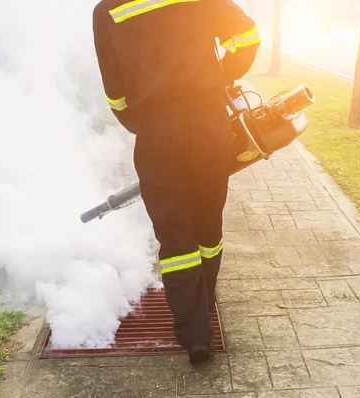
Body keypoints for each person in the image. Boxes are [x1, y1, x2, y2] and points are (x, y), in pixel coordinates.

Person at [92, 0, 260, 363]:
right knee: (207, 221)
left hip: (156, 132)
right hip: (208, 123)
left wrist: (145, 124)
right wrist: (219, 79)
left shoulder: (107, 10)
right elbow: (246, 36)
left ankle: (195, 332)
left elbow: (116, 93)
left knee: (174, 234)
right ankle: (205, 299)